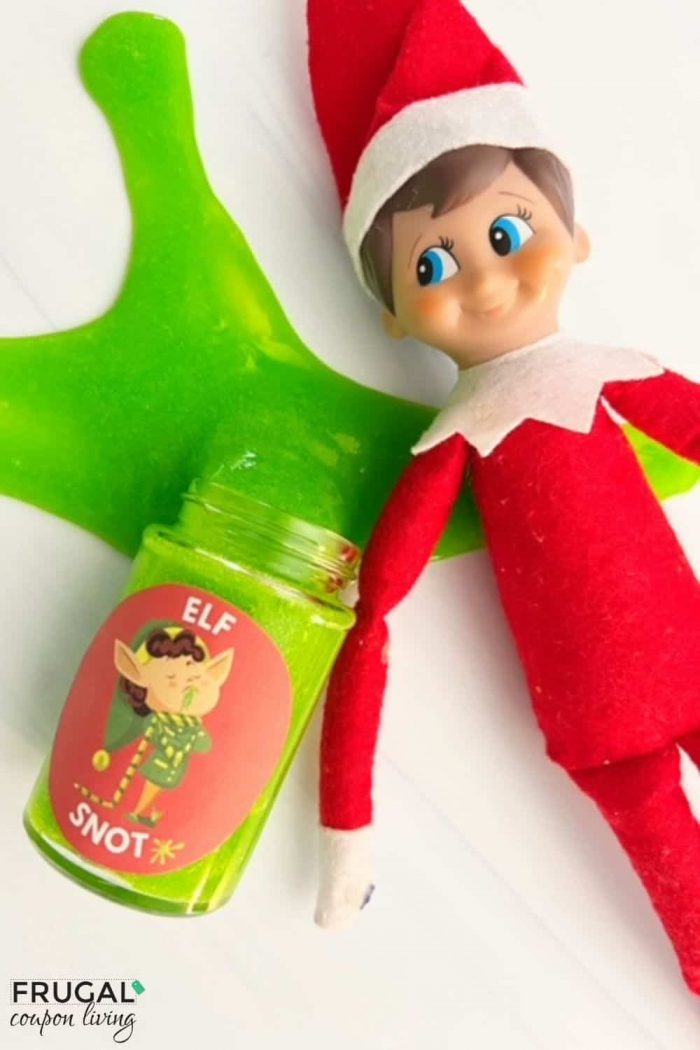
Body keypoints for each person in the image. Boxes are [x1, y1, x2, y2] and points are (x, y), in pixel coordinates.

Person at [307, 0, 700, 993]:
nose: (484, 285)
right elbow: (369, 620)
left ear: (576, 235)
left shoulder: (604, 375)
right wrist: (346, 827)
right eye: (433, 265)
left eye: (508, 232)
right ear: (395, 317)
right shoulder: (453, 446)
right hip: (598, 724)